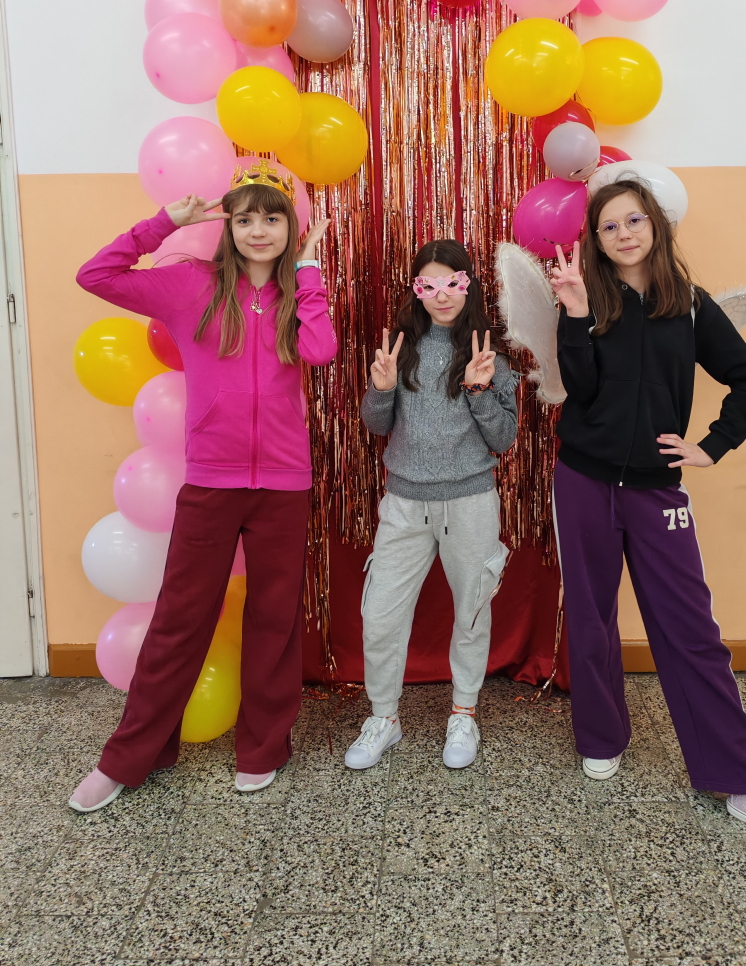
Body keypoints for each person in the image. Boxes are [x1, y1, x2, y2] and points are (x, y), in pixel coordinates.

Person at [550, 176, 746, 855]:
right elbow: (581, 390)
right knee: (591, 616)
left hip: (655, 490)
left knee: (692, 631)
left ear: (657, 226)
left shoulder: (691, 306)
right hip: (582, 481)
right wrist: (575, 315)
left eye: (634, 220)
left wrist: (711, 446)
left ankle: (743, 783)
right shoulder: (588, 297)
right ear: (596, 239)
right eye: (609, 226)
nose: (624, 233)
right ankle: (602, 736)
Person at [68, 162, 335, 812]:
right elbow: (95, 275)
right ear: (228, 226)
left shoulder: (297, 294)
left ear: (290, 226)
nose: (258, 230)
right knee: (179, 621)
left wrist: (309, 273)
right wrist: (164, 223)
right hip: (211, 482)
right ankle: (127, 758)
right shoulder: (191, 286)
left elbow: (321, 351)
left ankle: (263, 749)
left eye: (272, 218)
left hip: (283, 485)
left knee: (273, 621)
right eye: (245, 218)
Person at [345, 240, 519, 771]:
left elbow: (504, 438)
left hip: (470, 501)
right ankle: (384, 717)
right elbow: (377, 424)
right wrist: (381, 389)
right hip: (404, 502)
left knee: (472, 610)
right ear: (416, 290)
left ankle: (463, 713)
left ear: (469, 285)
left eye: (452, 283)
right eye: (429, 284)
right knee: (380, 614)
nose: (442, 295)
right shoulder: (400, 349)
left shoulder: (490, 355)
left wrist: (479, 391)